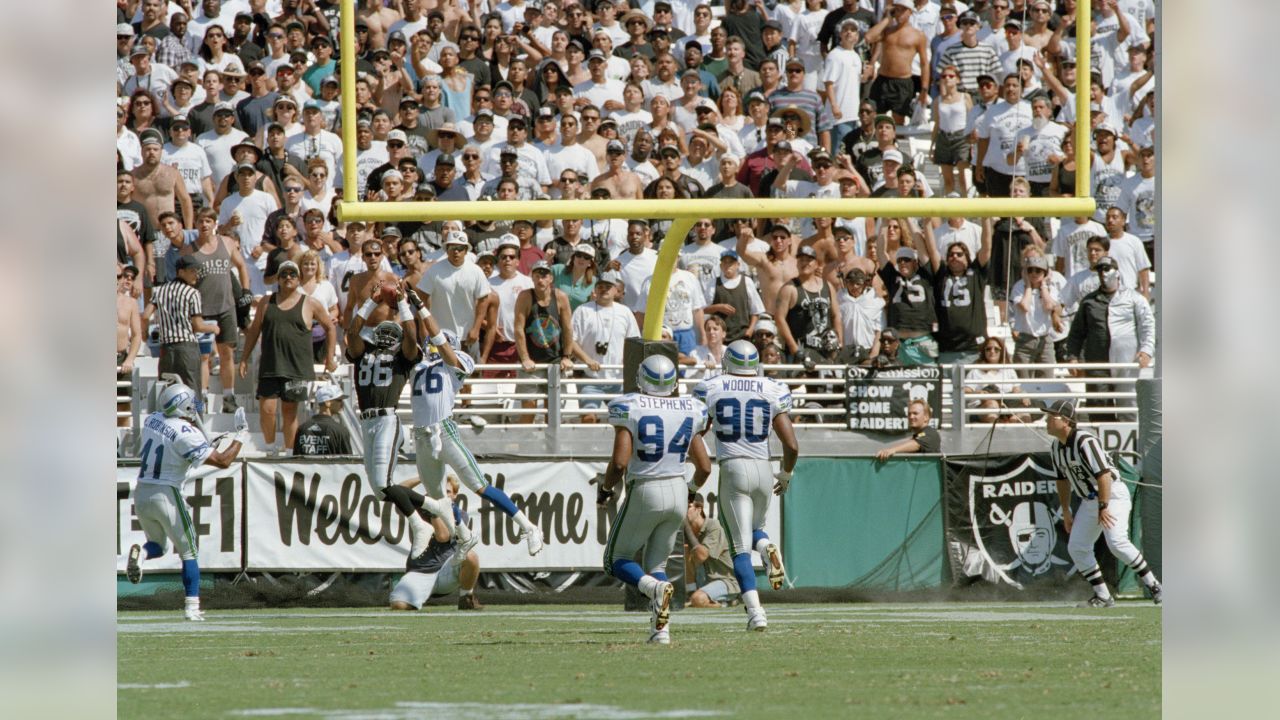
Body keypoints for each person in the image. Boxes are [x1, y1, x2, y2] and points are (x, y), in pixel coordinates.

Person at [407, 306, 545, 556]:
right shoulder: (418, 366)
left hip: (444, 431)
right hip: (421, 436)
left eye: (437, 342)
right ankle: (464, 536)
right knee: (438, 502)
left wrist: (424, 310)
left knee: (479, 485)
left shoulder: (456, 363)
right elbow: (410, 338)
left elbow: (445, 350)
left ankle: (529, 527)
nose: (432, 345)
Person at [598, 354, 712, 645]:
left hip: (646, 487)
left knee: (615, 559)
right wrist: (689, 490)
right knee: (658, 563)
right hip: (677, 488)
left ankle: (653, 590)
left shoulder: (630, 405)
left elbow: (620, 462)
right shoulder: (690, 407)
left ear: (642, 378)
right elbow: (705, 466)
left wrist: (606, 489)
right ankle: (661, 632)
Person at [692, 340, 798, 631]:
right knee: (755, 531)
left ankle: (755, 612)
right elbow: (791, 445)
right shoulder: (772, 387)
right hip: (764, 467)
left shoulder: (711, 387)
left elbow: (697, 432)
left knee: (738, 547)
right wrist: (786, 474)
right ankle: (765, 547)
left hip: (733, 466)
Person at [125, 382, 248, 621]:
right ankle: (192, 607)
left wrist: (201, 447)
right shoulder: (185, 432)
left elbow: (177, 447)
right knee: (189, 552)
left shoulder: (153, 419)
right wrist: (240, 435)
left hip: (142, 491)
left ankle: (141, 555)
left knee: (158, 547)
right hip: (166, 493)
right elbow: (223, 461)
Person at [1044, 399, 1163, 607]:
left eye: (1051, 416)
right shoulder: (1056, 447)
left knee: (1116, 541)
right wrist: (1065, 510)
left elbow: (1104, 475)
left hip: (1111, 495)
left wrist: (1103, 506)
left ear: (1066, 421)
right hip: (1090, 500)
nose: (1046, 420)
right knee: (1078, 546)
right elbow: (1062, 480)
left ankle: (1154, 585)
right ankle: (1103, 595)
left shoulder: (1085, 441)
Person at [239, 260, 337, 453]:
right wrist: (244, 358)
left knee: (289, 413)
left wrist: (330, 357)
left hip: (296, 367)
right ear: (278, 279)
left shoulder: (310, 302)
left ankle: (291, 452)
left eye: (292, 274)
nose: (288, 278)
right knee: (267, 410)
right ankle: (269, 449)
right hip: (270, 365)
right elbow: (254, 331)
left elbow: (331, 327)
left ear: (299, 278)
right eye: (284, 274)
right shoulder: (267, 302)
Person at [1063, 256, 1155, 420]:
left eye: (1106, 269)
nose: (1103, 274)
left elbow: (1147, 325)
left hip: (1127, 362)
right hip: (1098, 363)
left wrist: (1146, 350)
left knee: (1129, 406)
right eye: (1099, 270)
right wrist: (1073, 356)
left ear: (1117, 272)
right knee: (1099, 406)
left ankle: (1132, 443)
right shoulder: (1089, 301)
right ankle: (1101, 443)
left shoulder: (1134, 298)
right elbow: (1076, 333)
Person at [184, 207, 250, 413]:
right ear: (195, 224)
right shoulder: (189, 249)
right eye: (200, 221)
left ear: (214, 224)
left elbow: (242, 266)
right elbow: (182, 276)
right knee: (203, 356)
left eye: (208, 221)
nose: (204, 224)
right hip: (201, 309)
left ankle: (229, 397)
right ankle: (200, 399)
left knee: (227, 353)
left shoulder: (227, 243)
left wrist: (246, 289)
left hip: (225, 307)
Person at [389, 475, 486, 611]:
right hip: (419, 572)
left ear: (455, 495)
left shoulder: (461, 515)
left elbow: (443, 536)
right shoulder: (419, 508)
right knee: (398, 605)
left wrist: (433, 510)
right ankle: (415, 594)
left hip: (446, 572)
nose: (440, 494)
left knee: (471, 556)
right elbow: (397, 491)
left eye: (446, 491)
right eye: (436, 490)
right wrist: (425, 477)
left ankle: (467, 598)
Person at [142, 255, 220, 413]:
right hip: (187, 349)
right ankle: (197, 426)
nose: (196, 274)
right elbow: (197, 325)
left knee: (169, 393)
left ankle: (169, 428)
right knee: (193, 392)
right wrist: (213, 329)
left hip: (166, 349)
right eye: (192, 271)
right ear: (181, 271)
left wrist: (145, 333)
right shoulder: (192, 293)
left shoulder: (160, 291)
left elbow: (145, 316)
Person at [569, 271, 641, 422]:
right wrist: (587, 360)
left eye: (608, 286)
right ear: (594, 290)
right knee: (588, 417)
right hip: (590, 378)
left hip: (617, 379)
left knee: (624, 419)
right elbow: (571, 341)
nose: (604, 289)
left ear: (616, 290)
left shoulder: (625, 312)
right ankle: (588, 445)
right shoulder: (583, 311)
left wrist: (627, 362)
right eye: (600, 286)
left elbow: (634, 342)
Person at [682, 494, 740, 609]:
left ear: (699, 509)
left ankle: (725, 603)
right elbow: (688, 563)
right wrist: (690, 591)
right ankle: (699, 597)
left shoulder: (713, 526)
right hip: (705, 583)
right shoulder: (688, 532)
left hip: (726, 582)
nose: (683, 512)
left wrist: (687, 529)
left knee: (697, 600)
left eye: (687, 507)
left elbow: (701, 556)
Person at [292, 383, 355, 456]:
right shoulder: (340, 431)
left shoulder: (302, 429)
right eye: (339, 400)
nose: (342, 404)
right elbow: (348, 463)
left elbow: (296, 461)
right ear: (327, 403)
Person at [874, 399, 940, 461]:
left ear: (926, 417)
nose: (911, 417)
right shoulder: (917, 436)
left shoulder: (931, 433)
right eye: (909, 414)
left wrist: (892, 450)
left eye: (915, 413)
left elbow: (916, 445)